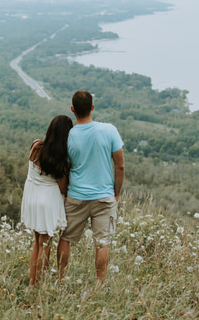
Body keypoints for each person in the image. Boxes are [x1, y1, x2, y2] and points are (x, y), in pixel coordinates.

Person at [57, 90, 124, 285]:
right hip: (104, 196)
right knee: (102, 243)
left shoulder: (68, 136)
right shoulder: (110, 130)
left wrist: (65, 192)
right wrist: (116, 192)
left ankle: (60, 280)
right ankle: (100, 284)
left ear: (72, 110)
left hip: (76, 195)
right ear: (92, 107)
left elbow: (65, 169)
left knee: (66, 238)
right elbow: (119, 166)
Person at [20, 114, 73, 284]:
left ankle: (33, 281)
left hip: (31, 197)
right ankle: (39, 284)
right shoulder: (61, 159)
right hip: (48, 201)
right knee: (45, 244)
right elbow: (63, 187)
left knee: (36, 242)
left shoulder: (36, 146)